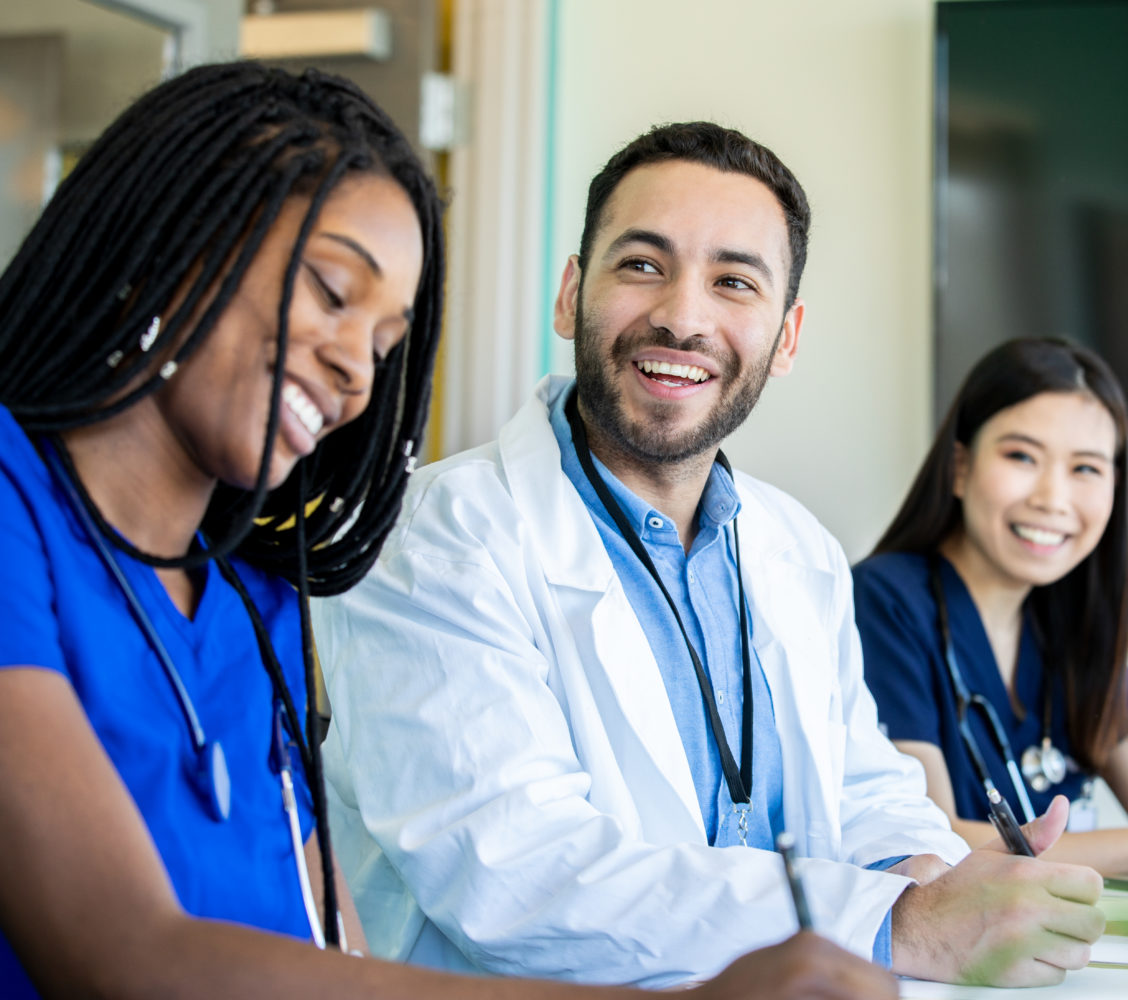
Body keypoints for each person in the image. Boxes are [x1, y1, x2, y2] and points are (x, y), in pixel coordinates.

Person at [0, 62, 893, 1000]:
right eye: (333, 293)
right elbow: (128, 957)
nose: (356, 367)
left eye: (389, 340)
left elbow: (328, 956)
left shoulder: (248, 596)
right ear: (171, 238)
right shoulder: (21, 516)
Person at [311, 122, 1106, 991]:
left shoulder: (797, 548)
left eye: (733, 282)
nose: (683, 317)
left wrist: (926, 870)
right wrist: (898, 924)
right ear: (571, 294)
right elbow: (514, 875)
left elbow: (859, 784)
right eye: (641, 265)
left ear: (787, 337)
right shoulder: (434, 536)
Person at [853, 338, 1128, 876]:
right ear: (959, 467)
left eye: (1086, 468)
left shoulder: (1066, 621)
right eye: (1022, 456)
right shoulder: (883, 601)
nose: (1053, 498)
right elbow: (935, 832)